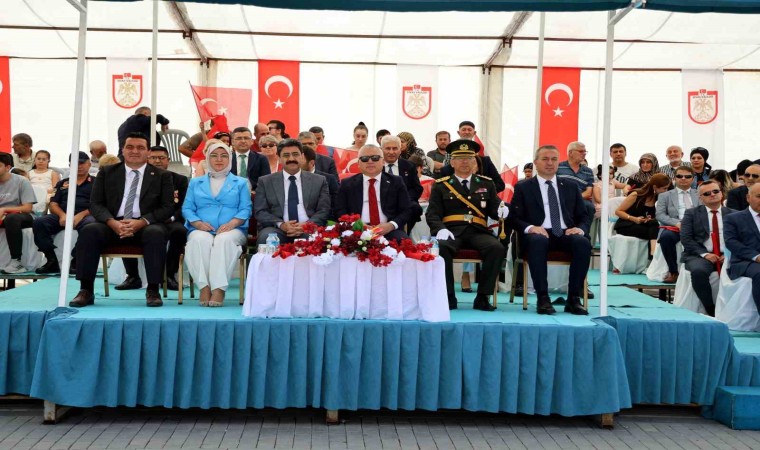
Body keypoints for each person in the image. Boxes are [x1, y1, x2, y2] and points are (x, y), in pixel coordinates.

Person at [69, 132, 174, 308]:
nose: (135, 151)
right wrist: (112, 222)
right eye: (130, 147)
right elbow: (95, 204)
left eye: (140, 147)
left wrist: (142, 222)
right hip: (112, 223)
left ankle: (153, 290)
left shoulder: (162, 175)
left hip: (146, 224)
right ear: (122, 150)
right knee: (89, 231)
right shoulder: (107, 172)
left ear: (148, 152)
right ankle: (85, 289)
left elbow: (167, 207)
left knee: (156, 233)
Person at [426, 140, 508, 311]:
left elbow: (494, 209)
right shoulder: (441, 185)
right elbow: (433, 213)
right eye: (460, 158)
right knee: (442, 248)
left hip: (478, 231)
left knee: (496, 248)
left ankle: (483, 297)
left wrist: (502, 211)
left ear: (474, 162)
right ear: (452, 162)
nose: (465, 162)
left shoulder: (486, 183)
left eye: (469, 158)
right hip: (451, 231)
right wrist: (440, 229)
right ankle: (448, 296)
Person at [511, 145, 591, 315]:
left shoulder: (570, 186)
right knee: (538, 241)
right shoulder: (524, 187)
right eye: (545, 159)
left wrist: (579, 229)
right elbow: (514, 218)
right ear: (536, 162)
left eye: (554, 159)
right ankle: (543, 298)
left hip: (565, 232)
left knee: (582, 243)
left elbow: (583, 216)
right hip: (538, 233)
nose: (550, 163)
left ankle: (573, 299)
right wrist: (531, 228)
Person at [183, 141, 252, 307]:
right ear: (207, 158)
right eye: (214, 155)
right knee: (199, 240)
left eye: (223, 156)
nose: (219, 159)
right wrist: (198, 224)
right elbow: (187, 208)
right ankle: (204, 286)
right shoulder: (195, 183)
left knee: (223, 240)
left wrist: (233, 223)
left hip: (233, 228)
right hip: (201, 227)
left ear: (230, 159)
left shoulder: (241, 182)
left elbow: (245, 209)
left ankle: (219, 288)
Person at [254, 139, 331, 245]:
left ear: (302, 157)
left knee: (316, 240)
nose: (291, 159)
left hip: (308, 228)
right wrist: (282, 225)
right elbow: (260, 211)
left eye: (295, 154)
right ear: (279, 158)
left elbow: (323, 210)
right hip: (277, 229)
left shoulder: (319, 180)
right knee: (266, 239)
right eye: (286, 155)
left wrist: (306, 225)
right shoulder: (265, 181)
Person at [334, 144, 414, 242]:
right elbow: (339, 211)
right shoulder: (347, 184)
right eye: (364, 159)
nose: (370, 161)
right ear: (358, 163)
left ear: (383, 161)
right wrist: (356, 224)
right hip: (357, 229)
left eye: (375, 158)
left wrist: (391, 225)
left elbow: (407, 210)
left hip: (389, 230)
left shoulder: (396, 182)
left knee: (404, 243)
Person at [33, 151, 95, 275]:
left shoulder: (97, 183)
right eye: (75, 164)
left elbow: (100, 204)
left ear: (89, 164)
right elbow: (53, 203)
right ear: (70, 165)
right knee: (39, 222)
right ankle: (51, 260)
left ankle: (76, 260)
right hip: (63, 215)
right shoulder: (63, 183)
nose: (79, 166)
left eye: (82, 163)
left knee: (91, 226)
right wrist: (62, 215)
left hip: (86, 215)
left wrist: (81, 215)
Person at [681, 180, 736, 316]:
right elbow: (686, 239)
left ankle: (735, 310)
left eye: (715, 191)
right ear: (701, 198)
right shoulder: (691, 214)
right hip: (700, 255)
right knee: (698, 272)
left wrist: (729, 255)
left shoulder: (734, 214)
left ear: (721, 194)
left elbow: (741, 239)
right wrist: (705, 254)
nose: (712, 194)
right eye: (707, 193)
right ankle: (710, 309)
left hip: (729, 254)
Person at [146, 145, 188, 291]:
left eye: (161, 158)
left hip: (170, 220)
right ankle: (133, 276)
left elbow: (184, 205)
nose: (157, 161)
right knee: (128, 228)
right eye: (153, 158)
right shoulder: (140, 178)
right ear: (147, 159)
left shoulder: (180, 180)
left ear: (168, 160)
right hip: (147, 220)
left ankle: (169, 274)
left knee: (180, 232)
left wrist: (172, 218)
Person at [655, 166, 699, 283]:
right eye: (680, 176)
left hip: (696, 227)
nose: (683, 178)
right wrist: (677, 223)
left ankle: (699, 270)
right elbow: (660, 215)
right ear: (674, 178)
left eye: (687, 176)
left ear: (693, 179)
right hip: (675, 227)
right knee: (666, 237)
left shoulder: (699, 194)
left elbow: (704, 211)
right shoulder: (665, 195)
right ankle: (673, 271)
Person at [614, 173, 671, 258]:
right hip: (627, 224)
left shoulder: (658, 198)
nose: (666, 191)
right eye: (664, 188)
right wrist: (633, 218)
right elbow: (618, 211)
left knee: (655, 225)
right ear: (655, 187)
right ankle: (653, 256)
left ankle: (653, 254)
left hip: (645, 224)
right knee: (656, 233)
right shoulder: (636, 195)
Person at [724, 183, 760, 315]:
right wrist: (756, 256)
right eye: (759, 196)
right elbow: (731, 242)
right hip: (744, 262)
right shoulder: (733, 218)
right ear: (748, 197)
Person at [0, 152, 36, 274]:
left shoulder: (21, 181)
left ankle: (16, 262)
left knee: (11, 219)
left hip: (21, 216)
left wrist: (4, 210)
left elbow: (27, 207)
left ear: (8, 167)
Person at [381, 135, 424, 232]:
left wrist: (403, 198)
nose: (391, 152)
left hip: (405, 201)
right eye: (388, 148)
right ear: (381, 149)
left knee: (415, 208)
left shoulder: (409, 166)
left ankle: (405, 233)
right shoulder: (376, 166)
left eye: (395, 148)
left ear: (400, 150)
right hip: (381, 201)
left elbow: (417, 188)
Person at [300, 146, 339, 221]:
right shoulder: (289, 178)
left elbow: (336, 205)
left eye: (300, 161)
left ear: (311, 163)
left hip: (322, 221)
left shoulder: (329, 179)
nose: (296, 163)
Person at [229, 126, 270, 191]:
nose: (243, 141)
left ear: (252, 141)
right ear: (232, 142)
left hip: (255, 194)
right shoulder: (227, 159)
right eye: (239, 138)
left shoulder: (261, 159)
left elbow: (266, 182)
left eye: (246, 138)